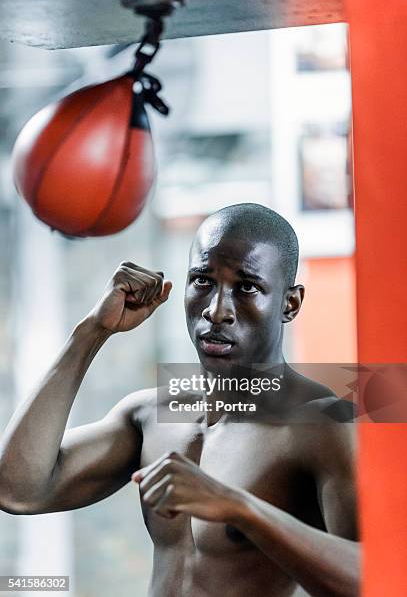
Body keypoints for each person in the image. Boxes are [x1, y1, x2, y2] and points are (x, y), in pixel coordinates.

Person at [0, 203, 359, 596]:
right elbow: (17, 490)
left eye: (247, 287)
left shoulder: (322, 425)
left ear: (289, 304)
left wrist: (239, 508)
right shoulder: (152, 415)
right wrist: (91, 332)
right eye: (203, 281)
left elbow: (378, 581)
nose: (216, 311)